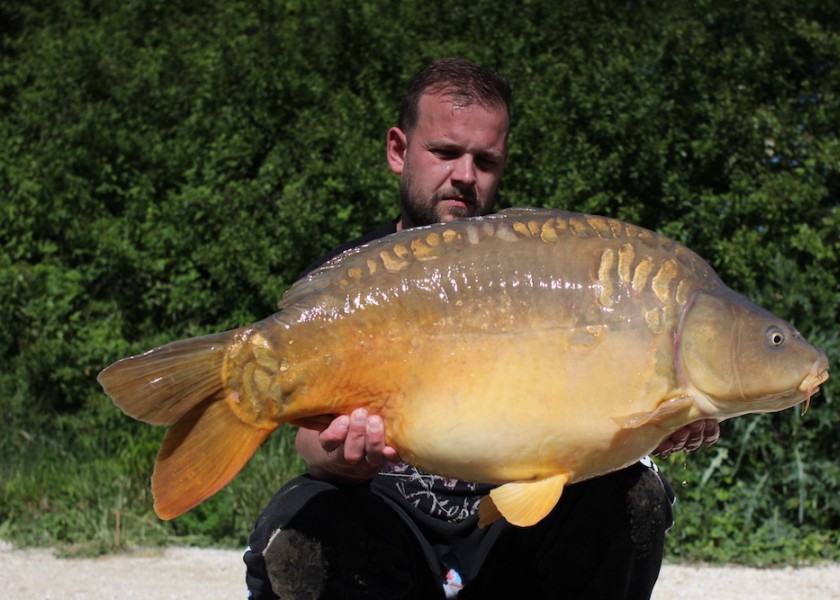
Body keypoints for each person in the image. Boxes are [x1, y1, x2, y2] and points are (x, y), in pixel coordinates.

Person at [244, 57, 720, 599]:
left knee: (637, 493)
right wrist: (344, 460)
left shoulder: (546, 266)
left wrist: (667, 421)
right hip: (390, 521)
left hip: (512, 532)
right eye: (445, 152)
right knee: (300, 521)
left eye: (485, 160)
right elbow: (311, 443)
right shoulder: (353, 281)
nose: (465, 176)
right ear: (399, 151)